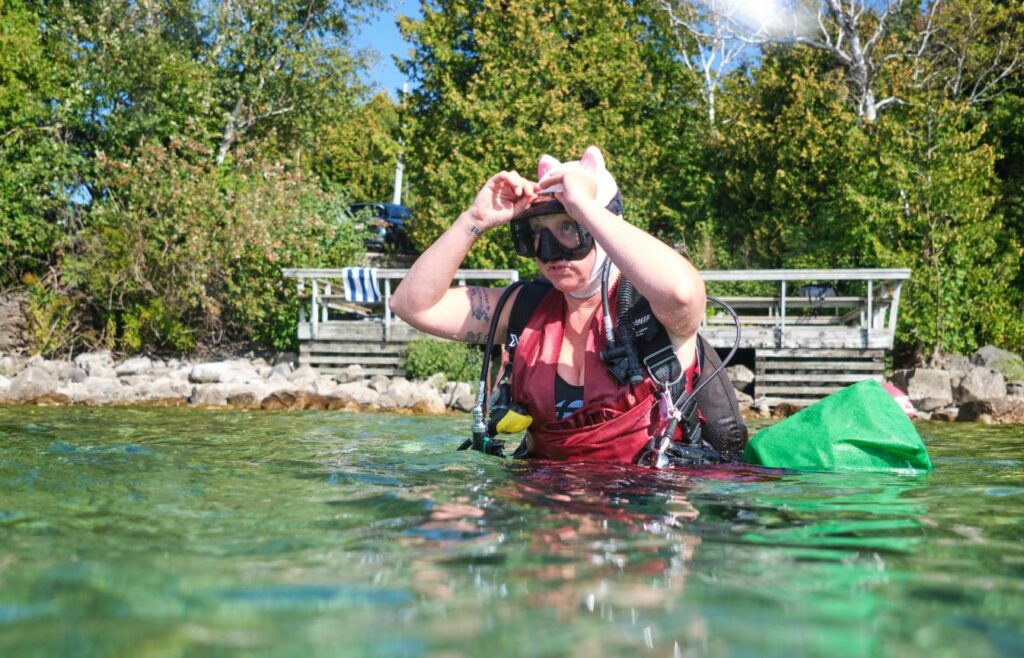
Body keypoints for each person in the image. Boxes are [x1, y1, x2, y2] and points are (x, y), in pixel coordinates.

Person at [390, 146, 746, 464]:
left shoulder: (651, 308)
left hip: (642, 512)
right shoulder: (524, 309)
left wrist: (584, 204)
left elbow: (684, 292)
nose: (548, 251)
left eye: (568, 227)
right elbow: (412, 305)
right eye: (537, 233)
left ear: (602, 222)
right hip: (547, 508)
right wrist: (474, 220)